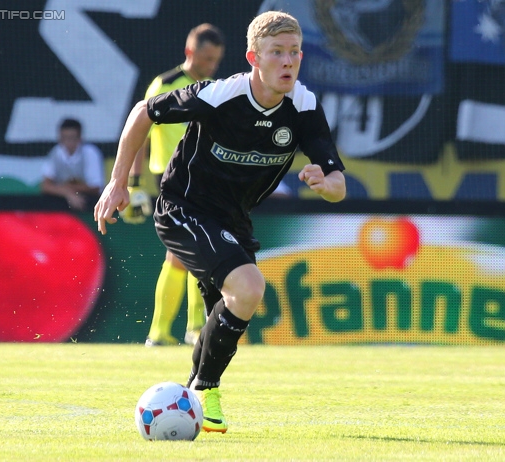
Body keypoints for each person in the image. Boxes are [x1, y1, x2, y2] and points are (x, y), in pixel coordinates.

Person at [94, 11, 346, 433]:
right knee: (249, 287)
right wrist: (117, 183)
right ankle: (196, 384)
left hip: (233, 220)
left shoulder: (303, 108)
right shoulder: (219, 95)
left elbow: (338, 183)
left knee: (231, 307)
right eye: (277, 53)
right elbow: (143, 112)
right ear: (254, 57)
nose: (288, 61)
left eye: (294, 53)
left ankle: (201, 392)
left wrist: (326, 182)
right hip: (182, 208)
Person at [121, 23, 226, 348]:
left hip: (208, 178)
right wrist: (134, 183)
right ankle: (177, 330)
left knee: (192, 253)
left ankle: (172, 332)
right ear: (189, 52)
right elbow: (140, 132)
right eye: (206, 58)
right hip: (171, 178)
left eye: (216, 60)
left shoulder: (215, 88)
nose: (211, 66)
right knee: (187, 252)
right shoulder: (166, 84)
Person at [41, 118, 105, 210]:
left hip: (90, 202)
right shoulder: (55, 152)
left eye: (71, 138)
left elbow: (95, 188)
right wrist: (68, 194)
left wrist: (70, 190)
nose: (67, 142)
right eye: (64, 138)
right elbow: (45, 186)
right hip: (63, 201)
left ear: (79, 138)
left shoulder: (90, 153)